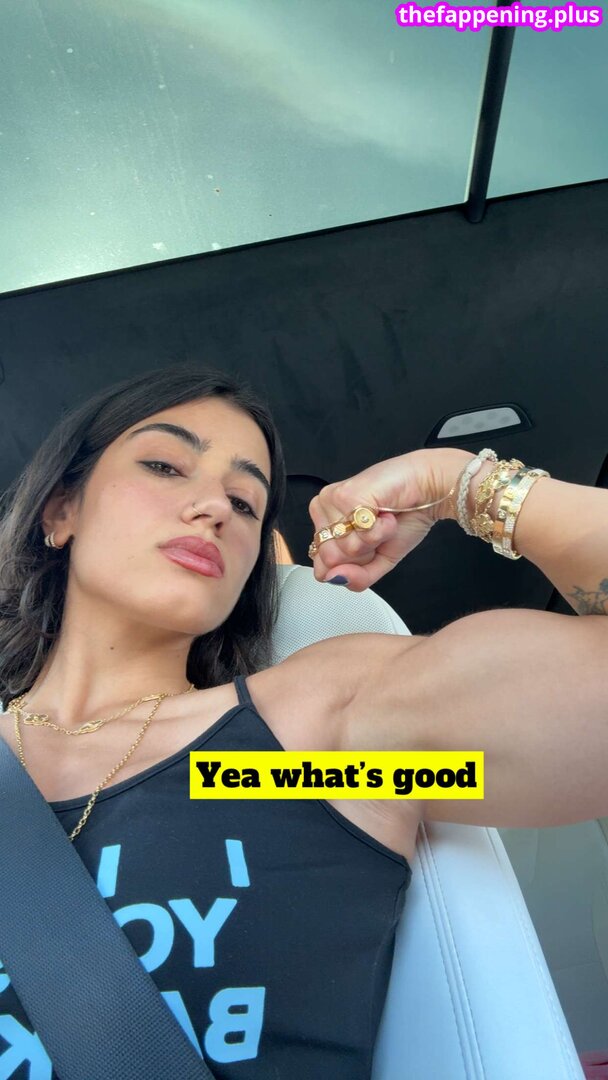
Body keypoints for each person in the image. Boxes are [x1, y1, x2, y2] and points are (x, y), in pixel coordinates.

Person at [0, 362, 605, 1079]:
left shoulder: (303, 752)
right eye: (165, 466)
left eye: (247, 504)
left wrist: (458, 483)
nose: (214, 508)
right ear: (60, 511)